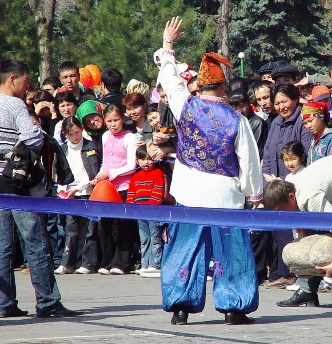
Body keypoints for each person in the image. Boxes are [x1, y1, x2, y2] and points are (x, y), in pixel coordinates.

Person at [156, 16, 263, 325]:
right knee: (231, 252)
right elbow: (249, 161)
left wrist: (168, 44)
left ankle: (180, 307)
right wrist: (253, 193)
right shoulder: (236, 119)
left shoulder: (184, 106)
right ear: (223, 87)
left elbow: (169, 78)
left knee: (184, 250)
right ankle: (233, 308)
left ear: (200, 85)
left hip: (189, 193)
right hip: (225, 197)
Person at [0, 59, 80, 318]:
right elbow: (32, 137)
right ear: (13, 79)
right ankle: (48, 301)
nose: (28, 87)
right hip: (18, 185)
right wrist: (41, 135)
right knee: (36, 242)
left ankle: (4, 303)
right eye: (25, 80)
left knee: (2, 247)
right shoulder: (14, 105)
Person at [263, 154, 332, 312]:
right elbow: (303, 230)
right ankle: (307, 292)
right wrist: (304, 268)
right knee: (317, 230)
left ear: (290, 197)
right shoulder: (292, 189)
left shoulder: (310, 196)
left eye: (280, 210)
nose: (281, 215)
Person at [262, 81, 312, 289]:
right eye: (277, 103)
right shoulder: (275, 122)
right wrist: (267, 177)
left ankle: (297, 273)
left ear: (294, 99)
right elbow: (267, 152)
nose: (282, 106)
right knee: (280, 231)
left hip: (295, 185)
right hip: (275, 185)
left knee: (296, 231)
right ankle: (283, 272)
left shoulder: (302, 120)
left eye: (285, 101)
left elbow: (306, 153)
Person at [91, 104, 137, 275]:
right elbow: (105, 162)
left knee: (124, 226)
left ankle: (122, 263)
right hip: (107, 188)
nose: (113, 124)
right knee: (104, 225)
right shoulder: (104, 136)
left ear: (123, 119)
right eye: (109, 121)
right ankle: (107, 261)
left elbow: (131, 166)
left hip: (125, 187)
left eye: (116, 120)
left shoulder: (129, 137)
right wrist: (99, 176)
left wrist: (110, 173)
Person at [55, 116, 101, 275]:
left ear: (81, 129)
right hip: (69, 193)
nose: (75, 136)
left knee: (90, 229)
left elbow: (93, 173)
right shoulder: (63, 149)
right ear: (65, 134)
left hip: (87, 191)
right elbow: (59, 173)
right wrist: (62, 189)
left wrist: (78, 188)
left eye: (77, 132)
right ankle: (67, 263)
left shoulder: (90, 146)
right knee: (70, 228)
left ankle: (88, 263)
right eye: (70, 134)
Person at [126, 145, 168, 277]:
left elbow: (158, 193)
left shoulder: (158, 173)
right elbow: (131, 194)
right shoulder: (136, 176)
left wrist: (150, 209)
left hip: (153, 213)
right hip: (140, 214)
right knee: (144, 239)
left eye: (149, 159)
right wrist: (131, 209)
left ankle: (156, 264)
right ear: (137, 161)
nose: (146, 162)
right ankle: (145, 264)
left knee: (155, 238)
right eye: (142, 159)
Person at [229, 88, 268, 159]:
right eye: (235, 108)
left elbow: (254, 148)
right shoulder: (230, 122)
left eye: (242, 106)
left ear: (249, 103)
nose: (239, 111)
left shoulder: (257, 122)